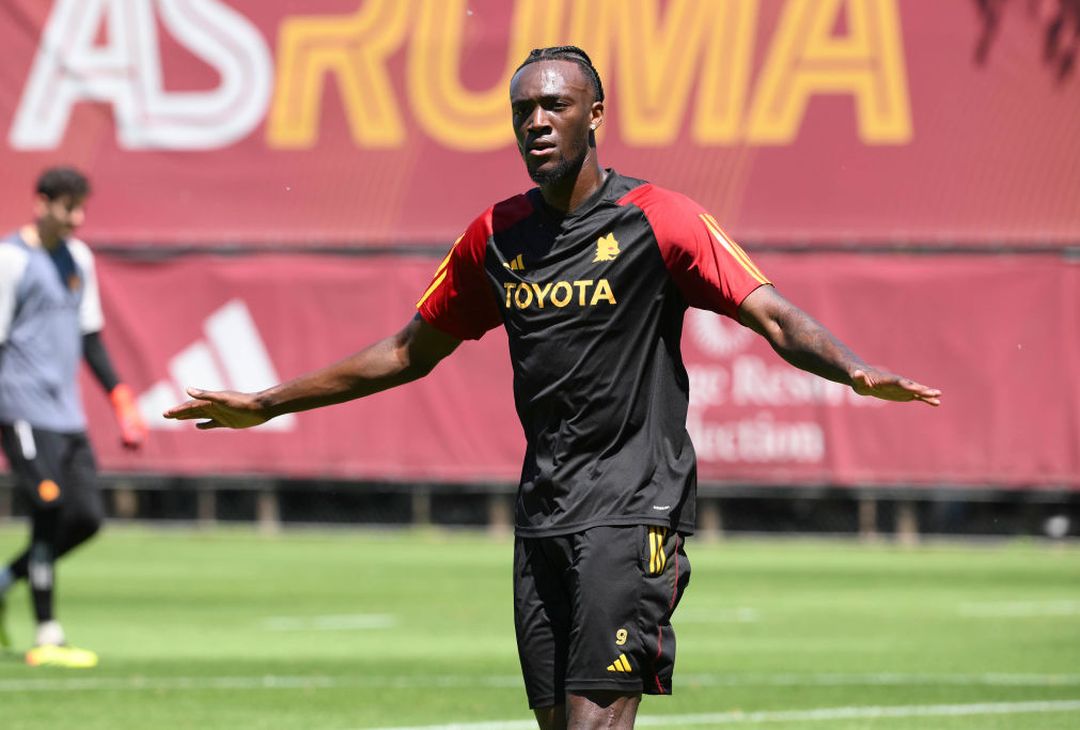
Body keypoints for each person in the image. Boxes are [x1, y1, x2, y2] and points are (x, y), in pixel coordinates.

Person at [164, 47, 940, 729]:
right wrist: (265, 403)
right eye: (522, 111)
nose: (536, 123)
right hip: (542, 512)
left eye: (555, 106)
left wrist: (851, 368)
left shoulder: (659, 219)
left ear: (595, 114)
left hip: (634, 506)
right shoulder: (495, 236)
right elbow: (406, 352)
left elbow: (771, 313)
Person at [0, 166, 146, 668]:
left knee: (85, 518)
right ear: (42, 203)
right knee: (48, 504)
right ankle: (48, 634)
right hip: (20, 407)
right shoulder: (10, 260)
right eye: (68, 207)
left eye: (82, 207)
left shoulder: (77, 258)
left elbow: (90, 337)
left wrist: (120, 399)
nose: (77, 218)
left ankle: (5, 580)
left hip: (67, 414)